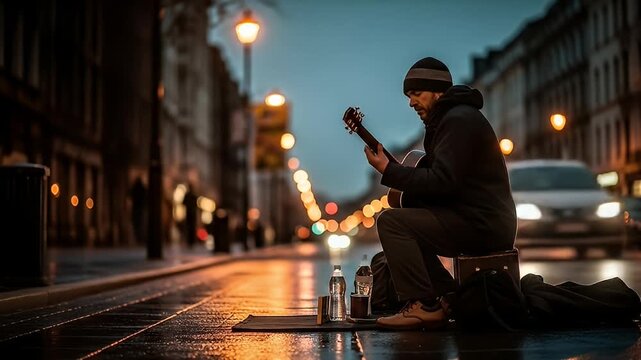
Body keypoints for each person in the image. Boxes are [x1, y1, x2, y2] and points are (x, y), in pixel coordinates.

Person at [363, 56, 517, 330]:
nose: (411, 102)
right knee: (406, 221)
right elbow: (445, 183)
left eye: (416, 93)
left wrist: (389, 170)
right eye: (408, 96)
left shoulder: (458, 120)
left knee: (392, 222)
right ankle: (447, 297)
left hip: (482, 224)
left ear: (437, 91)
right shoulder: (449, 119)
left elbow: (444, 181)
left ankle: (423, 304)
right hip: (474, 217)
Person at [129, 177, 148, 244]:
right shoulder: (142, 189)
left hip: (136, 208)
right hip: (140, 208)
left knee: (136, 223)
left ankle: (138, 237)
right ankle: (140, 237)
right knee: (140, 223)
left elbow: (130, 195)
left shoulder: (135, 188)